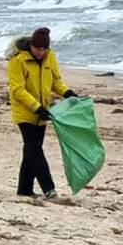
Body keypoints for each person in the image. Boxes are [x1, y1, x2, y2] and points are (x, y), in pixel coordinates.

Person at [7, 27, 77, 199]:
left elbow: (56, 82)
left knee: (30, 151)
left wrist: (67, 93)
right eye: (38, 48)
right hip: (25, 112)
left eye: (44, 49)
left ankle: (24, 189)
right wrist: (36, 107)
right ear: (31, 45)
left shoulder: (50, 57)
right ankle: (49, 189)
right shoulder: (17, 61)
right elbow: (17, 90)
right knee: (35, 149)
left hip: (42, 113)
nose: (41, 52)